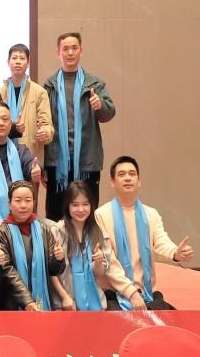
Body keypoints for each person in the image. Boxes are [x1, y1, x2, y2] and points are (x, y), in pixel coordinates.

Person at [95, 155, 193, 310]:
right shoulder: (101, 214)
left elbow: (161, 241)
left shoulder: (151, 214)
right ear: (112, 182)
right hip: (115, 292)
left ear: (139, 181)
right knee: (118, 321)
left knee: (167, 318)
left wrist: (175, 253)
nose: (128, 178)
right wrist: (131, 293)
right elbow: (109, 262)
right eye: (121, 174)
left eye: (132, 174)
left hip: (146, 292)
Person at [43, 32, 116, 219]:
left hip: (86, 161)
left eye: (74, 48)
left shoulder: (95, 84)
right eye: (65, 49)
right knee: (56, 216)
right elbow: (43, 123)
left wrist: (100, 106)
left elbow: (109, 113)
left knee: (87, 214)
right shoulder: (49, 86)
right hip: (57, 162)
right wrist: (44, 164)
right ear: (58, 53)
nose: (70, 53)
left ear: (81, 51)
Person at [0, 180, 65, 310]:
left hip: (42, 302)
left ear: (34, 203)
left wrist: (58, 259)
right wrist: (27, 301)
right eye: (18, 201)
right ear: (9, 204)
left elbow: (53, 270)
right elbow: (7, 271)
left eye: (28, 200)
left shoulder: (43, 229)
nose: (23, 205)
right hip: (13, 305)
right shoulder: (2, 232)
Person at [0, 102, 42, 220]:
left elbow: (30, 165)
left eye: (5, 119)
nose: (1, 123)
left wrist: (34, 171)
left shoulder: (20, 150)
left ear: (11, 124)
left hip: (21, 215)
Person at [52, 181, 111, 310]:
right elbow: (51, 272)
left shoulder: (99, 231)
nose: (80, 209)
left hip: (96, 303)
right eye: (75, 205)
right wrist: (64, 297)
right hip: (66, 304)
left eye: (85, 204)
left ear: (91, 205)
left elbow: (99, 274)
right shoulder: (57, 231)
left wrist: (99, 262)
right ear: (67, 206)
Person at [0, 43, 53, 165]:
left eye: (22, 58)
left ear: (28, 63)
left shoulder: (39, 92)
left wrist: (45, 132)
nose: (18, 62)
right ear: (8, 62)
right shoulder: (0, 93)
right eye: (14, 58)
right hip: (4, 156)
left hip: (31, 156)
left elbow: (47, 124)